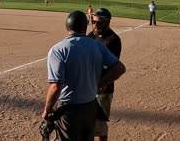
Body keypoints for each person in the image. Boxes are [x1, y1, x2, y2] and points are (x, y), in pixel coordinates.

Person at [42, 11, 126, 141]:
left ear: (67, 27)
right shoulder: (97, 45)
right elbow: (120, 68)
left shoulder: (58, 50)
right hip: (90, 107)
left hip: (68, 110)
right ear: (85, 26)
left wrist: (47, 110)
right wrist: (102, 83)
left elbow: (56, 86)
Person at [88, 8, 122, 141]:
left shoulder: (113, 40)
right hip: (88, 87)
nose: (95, 25)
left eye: (99, 23)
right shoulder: (91, 35)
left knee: (100, 128)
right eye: (93, 22)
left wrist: (103, 83)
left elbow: (113, 68)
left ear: (108, 22)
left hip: (103, 90)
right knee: (86, 124)